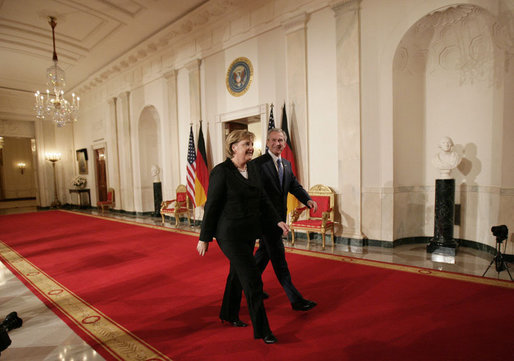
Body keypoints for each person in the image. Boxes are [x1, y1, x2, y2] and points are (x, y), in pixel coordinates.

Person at [196, 130, 289, 344]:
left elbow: (263, 199)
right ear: (233, 147)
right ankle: (263, 330)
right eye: (246, 144)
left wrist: (276, 219)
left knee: (237, 275)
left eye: (252, 144)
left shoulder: (253, 169)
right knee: (253, 278)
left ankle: (228, 313)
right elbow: (212, 206)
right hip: (229, 235)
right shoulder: (221, 172)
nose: (251, 148)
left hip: (249, 233)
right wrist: (204, 237)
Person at [252, 128, 317, 311]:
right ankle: (295, 299)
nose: (277, 143)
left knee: (263, 256)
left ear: (285, 143)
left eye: (280, 140)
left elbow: (294, 186)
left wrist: (308, 199)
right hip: (266, 220)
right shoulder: (258, 164)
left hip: (280, 218)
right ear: (267, 142)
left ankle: (248, 285)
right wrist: (273, 219)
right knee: (279, 260)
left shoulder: (286, 164)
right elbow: (260, 195)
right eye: (273, 140)